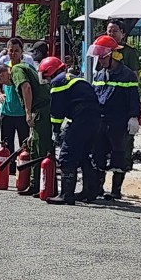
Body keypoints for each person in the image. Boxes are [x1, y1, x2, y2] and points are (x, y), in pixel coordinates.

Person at [88, 35, 140, 201]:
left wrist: (134, 117)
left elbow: (133, 98)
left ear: (113, 55)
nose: (101, 61)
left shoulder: (127, 75)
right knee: (98, 155)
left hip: (119, 122)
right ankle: (98, 188)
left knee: (119, 155)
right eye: (99, 57)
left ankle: (116, 190)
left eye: (103, 57)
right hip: (101, 121)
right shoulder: (99, 75)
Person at [42, 57, 100, 205]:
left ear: (50, 72)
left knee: (67, 156)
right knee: (83, 155)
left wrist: (55, 131)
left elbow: (57, 111)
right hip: (94, 120)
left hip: (81, 120)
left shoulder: (58, 82)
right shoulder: (73, 78)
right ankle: (90, 192)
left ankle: (66, 195)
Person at [0, 58, 52, 196]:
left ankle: (39, 185)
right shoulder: (23, 68)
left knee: (39, 147)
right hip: (43, 109)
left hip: (41, 110)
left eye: (3, 82)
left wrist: (28, 113)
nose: (8, 84)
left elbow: (26, 87)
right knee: (37, 145)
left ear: (2, 76)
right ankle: (40, 184)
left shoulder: (16, 70)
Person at [0, 37, 35, 157]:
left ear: (21, 52)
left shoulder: (27, 68)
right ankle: (9, 170)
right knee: (6, 146)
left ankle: (23, 172)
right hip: (7, 112)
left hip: (22, 113)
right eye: (11, 50)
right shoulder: (4, 67)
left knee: (24, 146)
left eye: (16, 51)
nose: (13, 53)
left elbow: (32, 87)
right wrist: (0, 93)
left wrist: (29, 111)